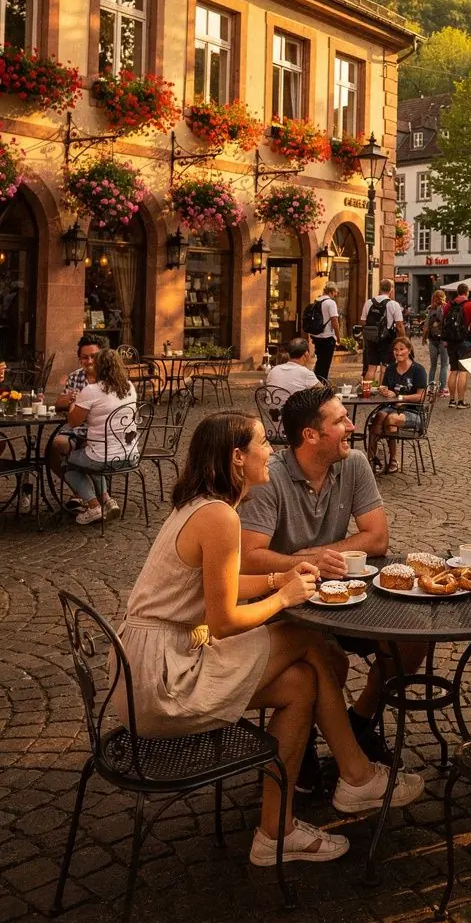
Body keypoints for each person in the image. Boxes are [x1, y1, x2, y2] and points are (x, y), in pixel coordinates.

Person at [112, 410, 423, 869]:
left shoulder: (202, 504)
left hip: (144, 670)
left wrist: (279, 576)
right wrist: (285, 597)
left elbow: (224, 587)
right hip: (163, 679)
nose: (271, 451)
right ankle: (357, 776)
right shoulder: (219, 517)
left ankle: (276, 833)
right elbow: (223, 621)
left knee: (301, 684)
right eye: (262, 443)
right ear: (238, 458)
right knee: (302, 635)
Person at [239, 384, 428, 778]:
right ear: (311, 435)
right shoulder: (268, 478)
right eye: (340, 420)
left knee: (413, 636)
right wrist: (308, 564)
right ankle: (299, 748)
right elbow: (250, 558)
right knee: (330, 659)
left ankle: (360, 721)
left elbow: (377, 539)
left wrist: (321, 556)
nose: (352, 426)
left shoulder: (353, 463)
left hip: (347, 595)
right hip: (287, 603)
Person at [63, 348, 137, 524]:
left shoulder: (92, 390)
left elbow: (73, 422)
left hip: (103, 456)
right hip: (130, 454)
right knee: (92, 456)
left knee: (68, 464)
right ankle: (106, 500)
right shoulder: (129, 386)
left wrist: (73, 402)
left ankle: (94, 505)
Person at [48, 336, 102, 509]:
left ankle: (94, 497)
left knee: (86, 447)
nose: (89, 361)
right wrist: (69, 399)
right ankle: (80, 492)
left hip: (99, 432)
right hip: (76, 430)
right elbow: (58, 405)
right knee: (53, 448)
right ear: (80, 359)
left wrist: (78, 406)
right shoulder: (75, 377)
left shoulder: (109, 378)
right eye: (85, 357)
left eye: (93, 356)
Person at [366, 337, 428, 474]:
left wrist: (400, 397)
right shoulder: (390, 369)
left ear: (409, 350)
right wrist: (383, 390)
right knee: (378, 417)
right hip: (391, 408)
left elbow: (421, 396)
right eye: (395, 349)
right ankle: (372, 458)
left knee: (390, 420)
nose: (398, 352)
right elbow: (386, 390)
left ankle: (391, 459)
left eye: (401, 349)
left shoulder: (418, 370)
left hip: (413, 412)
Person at [442, 282, 471, 407]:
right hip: (465, 341)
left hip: (451, 341)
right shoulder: (470, 305)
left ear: (457, 292)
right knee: (463, 371)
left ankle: (452, 400)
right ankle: (461, 401)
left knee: (453, 370)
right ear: (467, 292)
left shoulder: (448, 305)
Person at [360, 280, 403, 376]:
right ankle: (382, 390)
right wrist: (403, 340)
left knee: (371, 368)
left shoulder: (369, 302)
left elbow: (363, 322)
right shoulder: (393, 304)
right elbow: (400, 326)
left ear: (379, 288)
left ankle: (367, 390)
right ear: (391, 289)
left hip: (371, 339)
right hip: (387, 340)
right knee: (385, 368)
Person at [309, 283, 340, 382]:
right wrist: (338, 337)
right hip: (327, 337)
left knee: (320, 361)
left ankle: (316, 381)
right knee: (325, 363)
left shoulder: (317, 300)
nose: (336, 294)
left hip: (317, 336)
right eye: (335, 292)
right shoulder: (330, 303)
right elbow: (334, 320)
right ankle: (321, 384)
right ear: (331, 291)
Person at [422, 288, 449, 397]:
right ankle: (442, 389)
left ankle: (430, 389)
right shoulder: (446, 308)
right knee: (444, 365)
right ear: (444, 297)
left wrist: (424, 338)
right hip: (443, 340)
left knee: (433, 365)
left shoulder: (430, 309)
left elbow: (426, 326)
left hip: (432, 340)